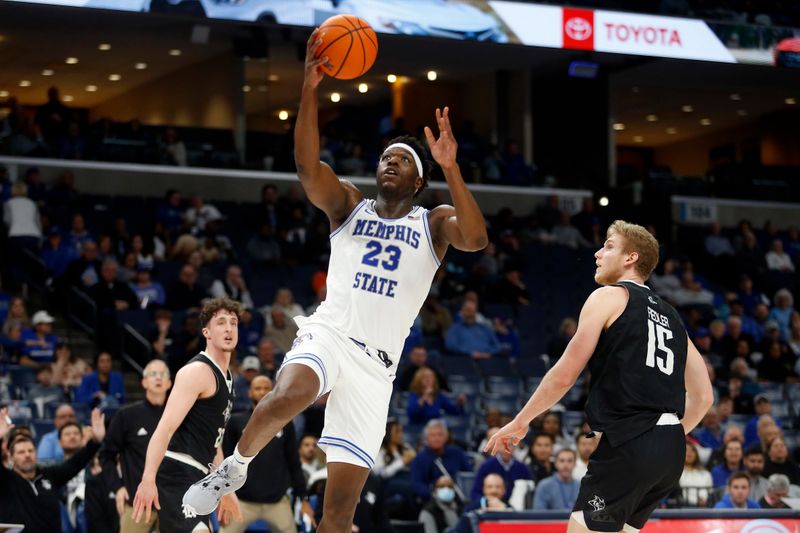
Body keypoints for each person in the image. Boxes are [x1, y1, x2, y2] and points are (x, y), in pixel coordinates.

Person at [182, 27, 488, 533]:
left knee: (338, 517)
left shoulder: (433, 223)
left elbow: (476, 239)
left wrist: (452, 168)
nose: (390, 162)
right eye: (385, 157)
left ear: (418, 182)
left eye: (403, 161)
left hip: (377, 370)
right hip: (330, 334)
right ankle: (233, 468)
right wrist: (309, 86)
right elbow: (306, 166)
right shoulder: (349, 205)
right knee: (289, 395)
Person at [486, 220, 714, 533]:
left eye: (608, 246)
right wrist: (666, 435)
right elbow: (703, 397)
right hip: (671, 453)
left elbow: (565, 375)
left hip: (631, 443)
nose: (597, 253)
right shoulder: (674, 318)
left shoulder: (608, 297)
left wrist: (521, 420)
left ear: (630, 258)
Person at [132, 298, 244, 532]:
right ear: (207, 332)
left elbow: (215, 440)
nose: (228, 328)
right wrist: (148, 478)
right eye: (221, 322)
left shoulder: (228, 377)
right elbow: (164, 428)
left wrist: (226, 488)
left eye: (233, 323)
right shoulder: (197, 372)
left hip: (201, 476)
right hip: (177, 472)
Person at [0, 406, 106, 533]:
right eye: (21, 452)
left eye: (30, 450)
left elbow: (74, 464)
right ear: (11, 457)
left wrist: (95, 442)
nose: (27, 455)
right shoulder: (6, 480)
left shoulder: (49, 475)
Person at [99, 359, 172, 533]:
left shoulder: (178, 415)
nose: (158, 378)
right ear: (144, 382)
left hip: (173, 503)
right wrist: (117, 488)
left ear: (169, 383)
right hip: (136, 502)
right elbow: (106, 455)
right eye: (153, 374)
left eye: (163, 374)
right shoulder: (127, 415)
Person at [679, 440, 713, 506]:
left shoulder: (706, 474)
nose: (689, 453)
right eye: (686, 450)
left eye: (692, 450)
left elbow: (710, 492)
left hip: (705, 507)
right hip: (683, 507)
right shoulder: (676, 473)